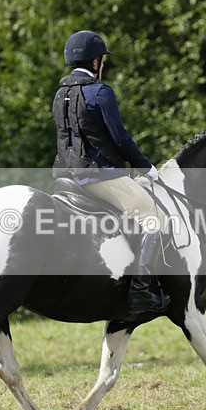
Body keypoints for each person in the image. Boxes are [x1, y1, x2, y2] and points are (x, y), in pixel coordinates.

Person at [51, 30, 169, 315]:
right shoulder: (100, 92)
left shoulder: (60, 94)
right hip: (100, 177)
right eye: (102, 60)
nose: (102, 65)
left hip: (66, 178)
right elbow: (120, 138)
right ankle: (140, 291)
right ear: (95, 63)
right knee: (156, 218)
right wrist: (147, 167)